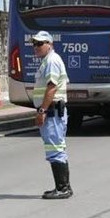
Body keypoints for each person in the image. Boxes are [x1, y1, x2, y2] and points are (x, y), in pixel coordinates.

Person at [31, 30, 72, 199]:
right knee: (56, 147)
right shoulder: (47, 61)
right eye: (34, 44)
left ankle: (62, 188)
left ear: (50, 45)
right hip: (52, 110)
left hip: (53, 111)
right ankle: (63, 187)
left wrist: (42, 110)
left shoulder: (52, 61)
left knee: (55, 148)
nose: (36, 47)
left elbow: (52, 87)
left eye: (40, 43)